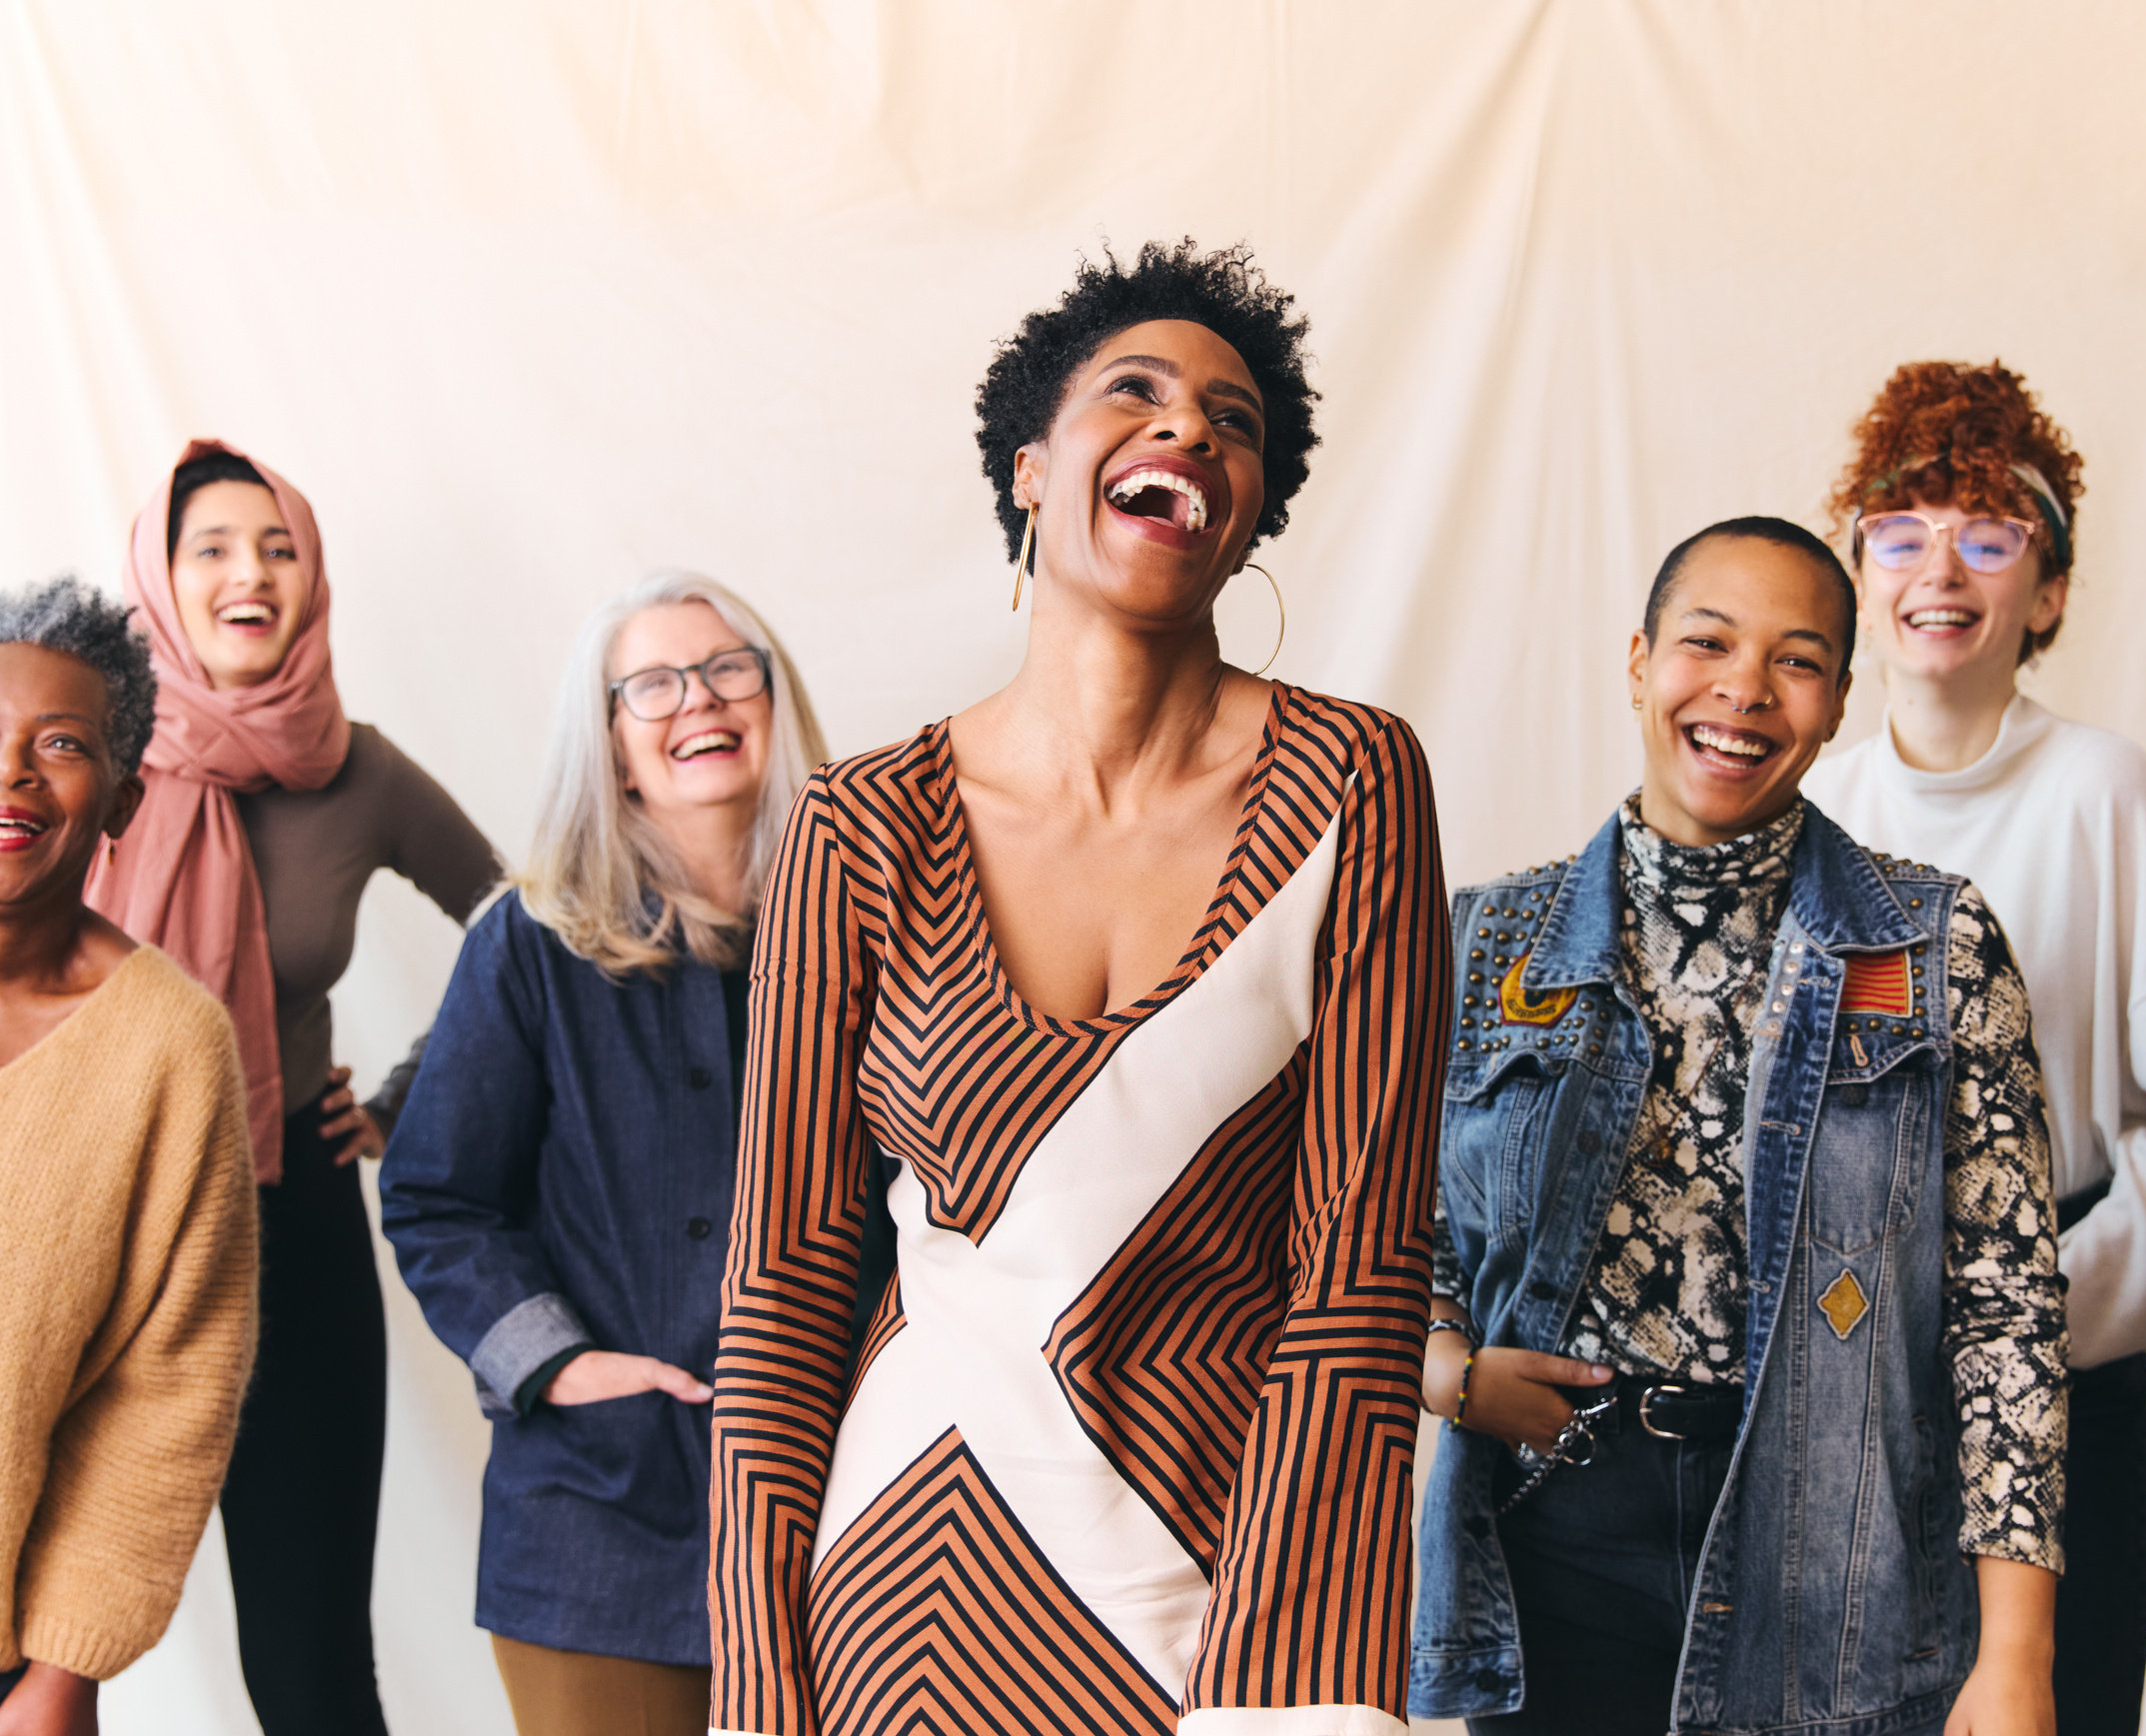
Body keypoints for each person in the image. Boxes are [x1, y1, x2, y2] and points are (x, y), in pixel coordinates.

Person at [708, 241, 1449, 1736]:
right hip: (890, 1591)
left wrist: (1289, 1692)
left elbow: (1354, 1276)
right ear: (1032, 469)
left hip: (1211, 1581)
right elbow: (782, 1289)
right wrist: (754, 1684)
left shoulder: (1350, 784)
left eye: (1232, 421)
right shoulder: (858, 825)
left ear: (1249, 525)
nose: (1188, 430)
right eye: (1137, 394)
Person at [1412, 519, 2069, 1736]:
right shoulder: (1487, 941)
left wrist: (2018, 1653)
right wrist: (1448, 1374)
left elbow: (2005, 1310)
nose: (1743, 691)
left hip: (1839, 1537)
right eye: (1706, 642)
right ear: (1636, 662)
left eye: (1796, 660)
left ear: (1834, 705)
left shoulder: (1933, 947)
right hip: (1559, 1531)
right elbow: (1392, 1229)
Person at [1800, 361, 2146, 1732]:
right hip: (1843, 1385)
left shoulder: (2109, 793)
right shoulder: (1811, 803)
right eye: (1899, 532)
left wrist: (2022, 1330)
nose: (1939, 568)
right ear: (1857, 567)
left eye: (1987, 535)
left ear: (2044, 593)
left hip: (2065, 1366)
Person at [82, 442, 501, 1736]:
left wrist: (402, 1098)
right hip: (86, 1224)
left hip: (286, 1221)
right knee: (32, 1656)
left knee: (311, 1670)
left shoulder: (357, 772)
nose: (248, 572)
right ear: (161, 576)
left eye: (276, 546)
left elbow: (521, 932)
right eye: (210, 547)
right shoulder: (74, 755)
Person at [381, 573, 826, 1736]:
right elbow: (437, 1199)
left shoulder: (867, 930)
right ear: (613, 744)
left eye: (732, 668)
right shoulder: (530, 940)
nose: (700, 701)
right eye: (655, 685)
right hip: (594, 1525)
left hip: (834, 1505)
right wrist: (560, 1365)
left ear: (775, 706)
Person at [0, 578, 257, 1736]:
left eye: (58, 744)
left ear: (121, 799)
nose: (12, 771)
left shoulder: (170, 1047)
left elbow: (170, 1386)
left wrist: (65, 1671)